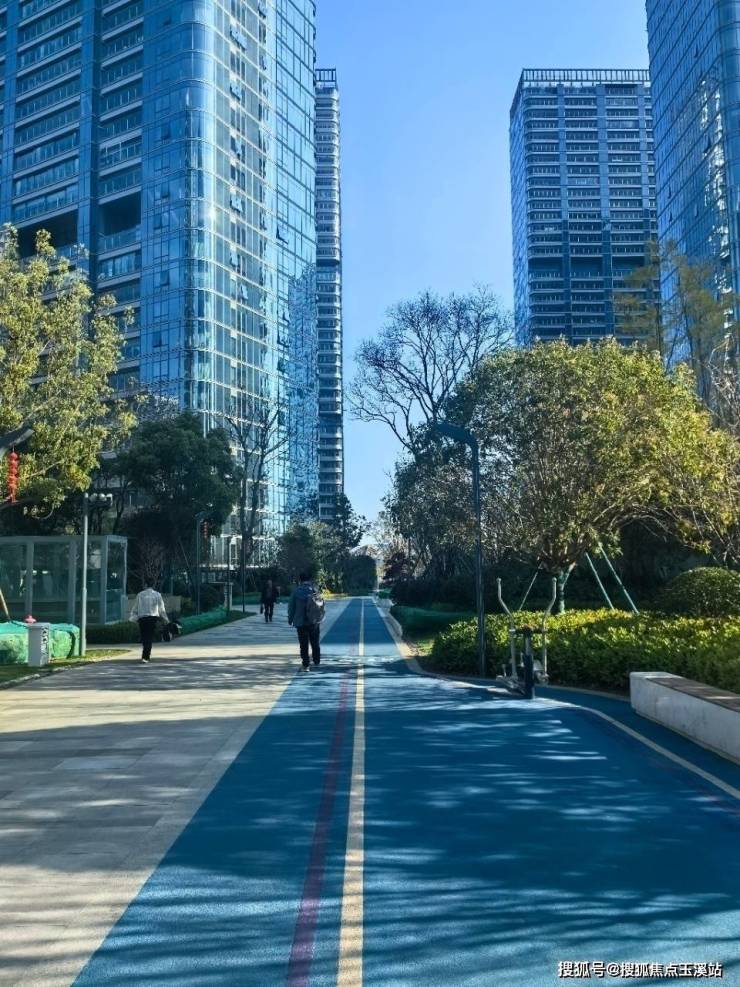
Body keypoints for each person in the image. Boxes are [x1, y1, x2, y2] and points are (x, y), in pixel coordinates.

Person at [287, 572, 323, 671]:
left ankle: (306, 664)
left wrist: (290, 619)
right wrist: (319, 618)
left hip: (300, 622)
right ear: (309, 579)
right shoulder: (315, 590)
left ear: (300, 580)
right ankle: (316, 661)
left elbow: (291, 607)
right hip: (313, 621)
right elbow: (320, 605)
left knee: (303, 644)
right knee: (315, 643)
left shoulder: (296, 592)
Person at [129, 580, 168, 663]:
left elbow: (135, 608)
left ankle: (145, 655)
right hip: (152, 619)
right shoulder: (157, 595)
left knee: (144, 636)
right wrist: (166, 619)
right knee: (149, 636)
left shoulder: (140, 594)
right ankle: (146, 656)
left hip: (142, 619)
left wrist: (133, 618)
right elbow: (162, 609)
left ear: (146, 585)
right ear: (153, 585)